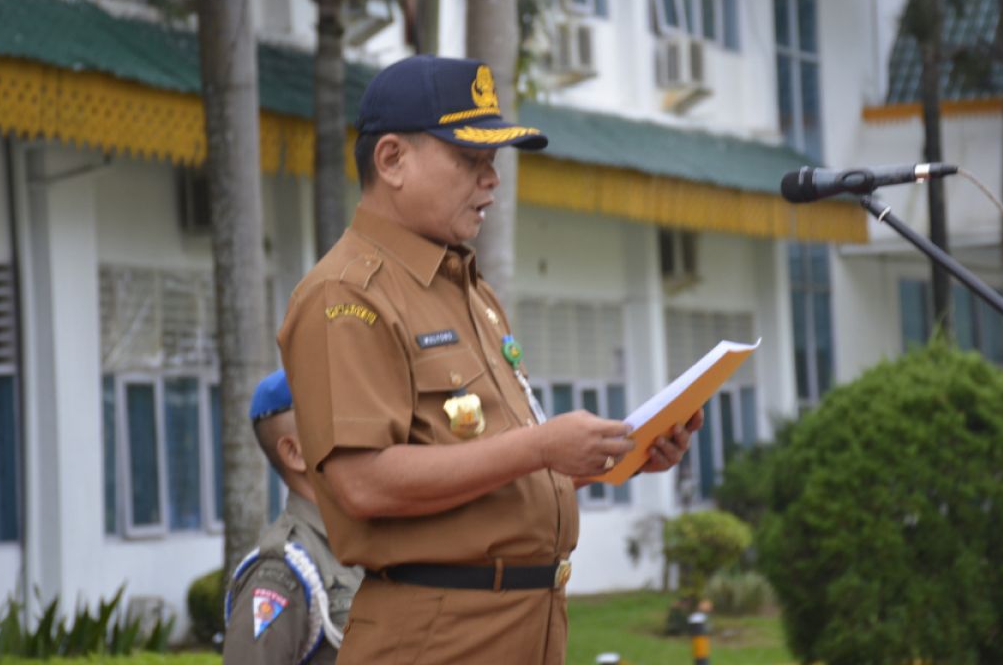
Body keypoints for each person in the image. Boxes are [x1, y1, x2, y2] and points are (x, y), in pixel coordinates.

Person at [278, 55, 702, 664]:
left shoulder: (468, 289)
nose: (492, 181)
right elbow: (362, 483)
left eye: (493, 162)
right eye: (469, 160)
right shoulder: (348, 294)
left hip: (526, 628)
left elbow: (480, 471)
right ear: (392, 160)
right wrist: (541, 448)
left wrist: (616, 458)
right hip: (437, 635)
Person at [222, 369, 365, 664]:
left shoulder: (371, 544)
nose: (366, 435)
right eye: (342, 424)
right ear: (294, 452)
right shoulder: (279, 571)